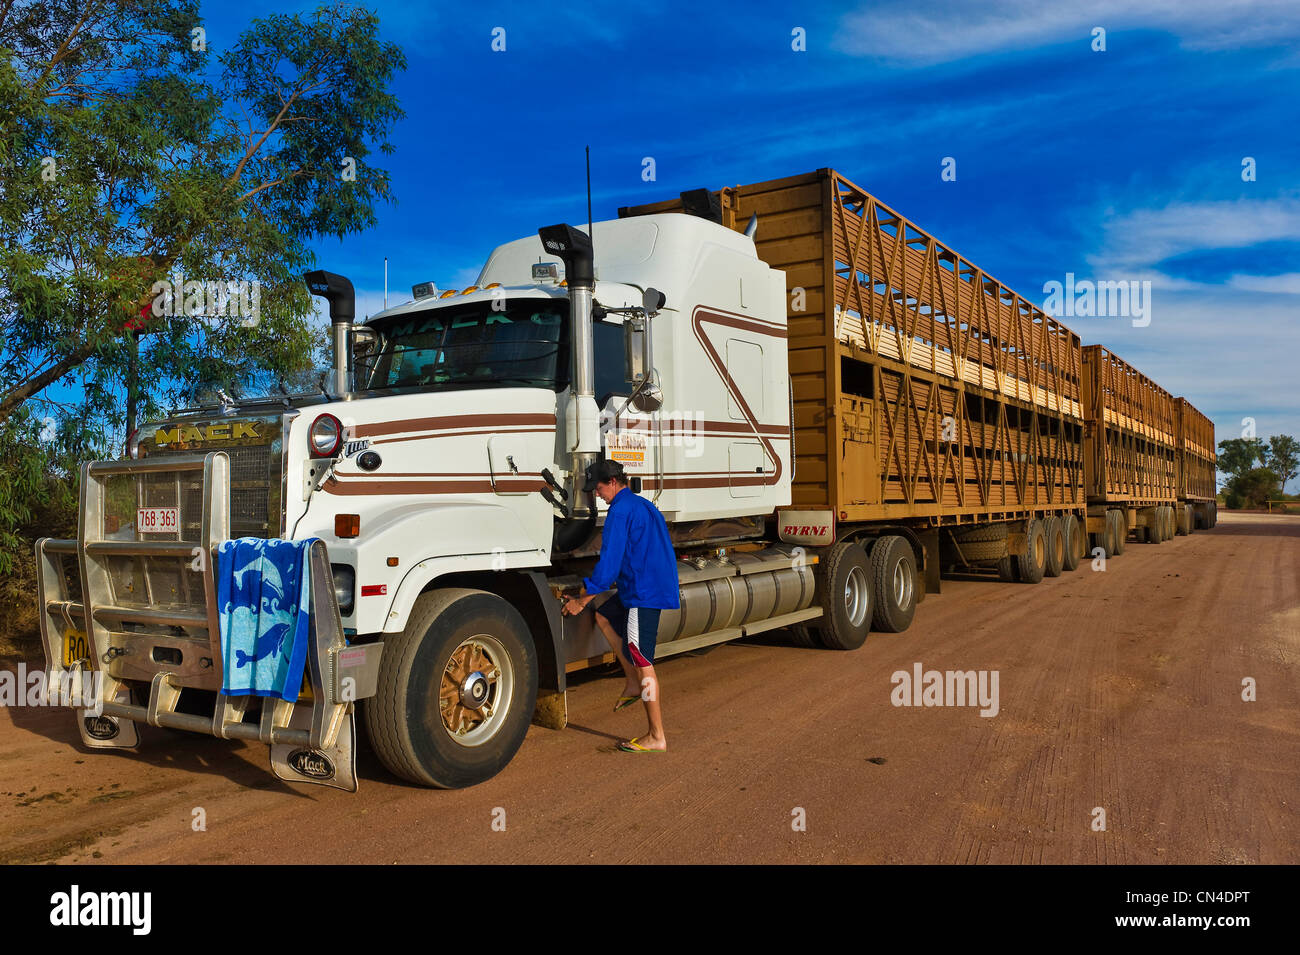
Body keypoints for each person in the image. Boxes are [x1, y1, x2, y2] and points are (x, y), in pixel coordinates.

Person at [561, 458, 680, 753]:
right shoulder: (643, 505)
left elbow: (609, 565)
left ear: (612, 483)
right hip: (643, 587)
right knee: (604, 616)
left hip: (643, 593)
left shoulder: (619, 511)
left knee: (643, 661)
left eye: (598, 488)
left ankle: (656, 736)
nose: (596, 494)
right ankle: (630, 682)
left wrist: (580, 600)